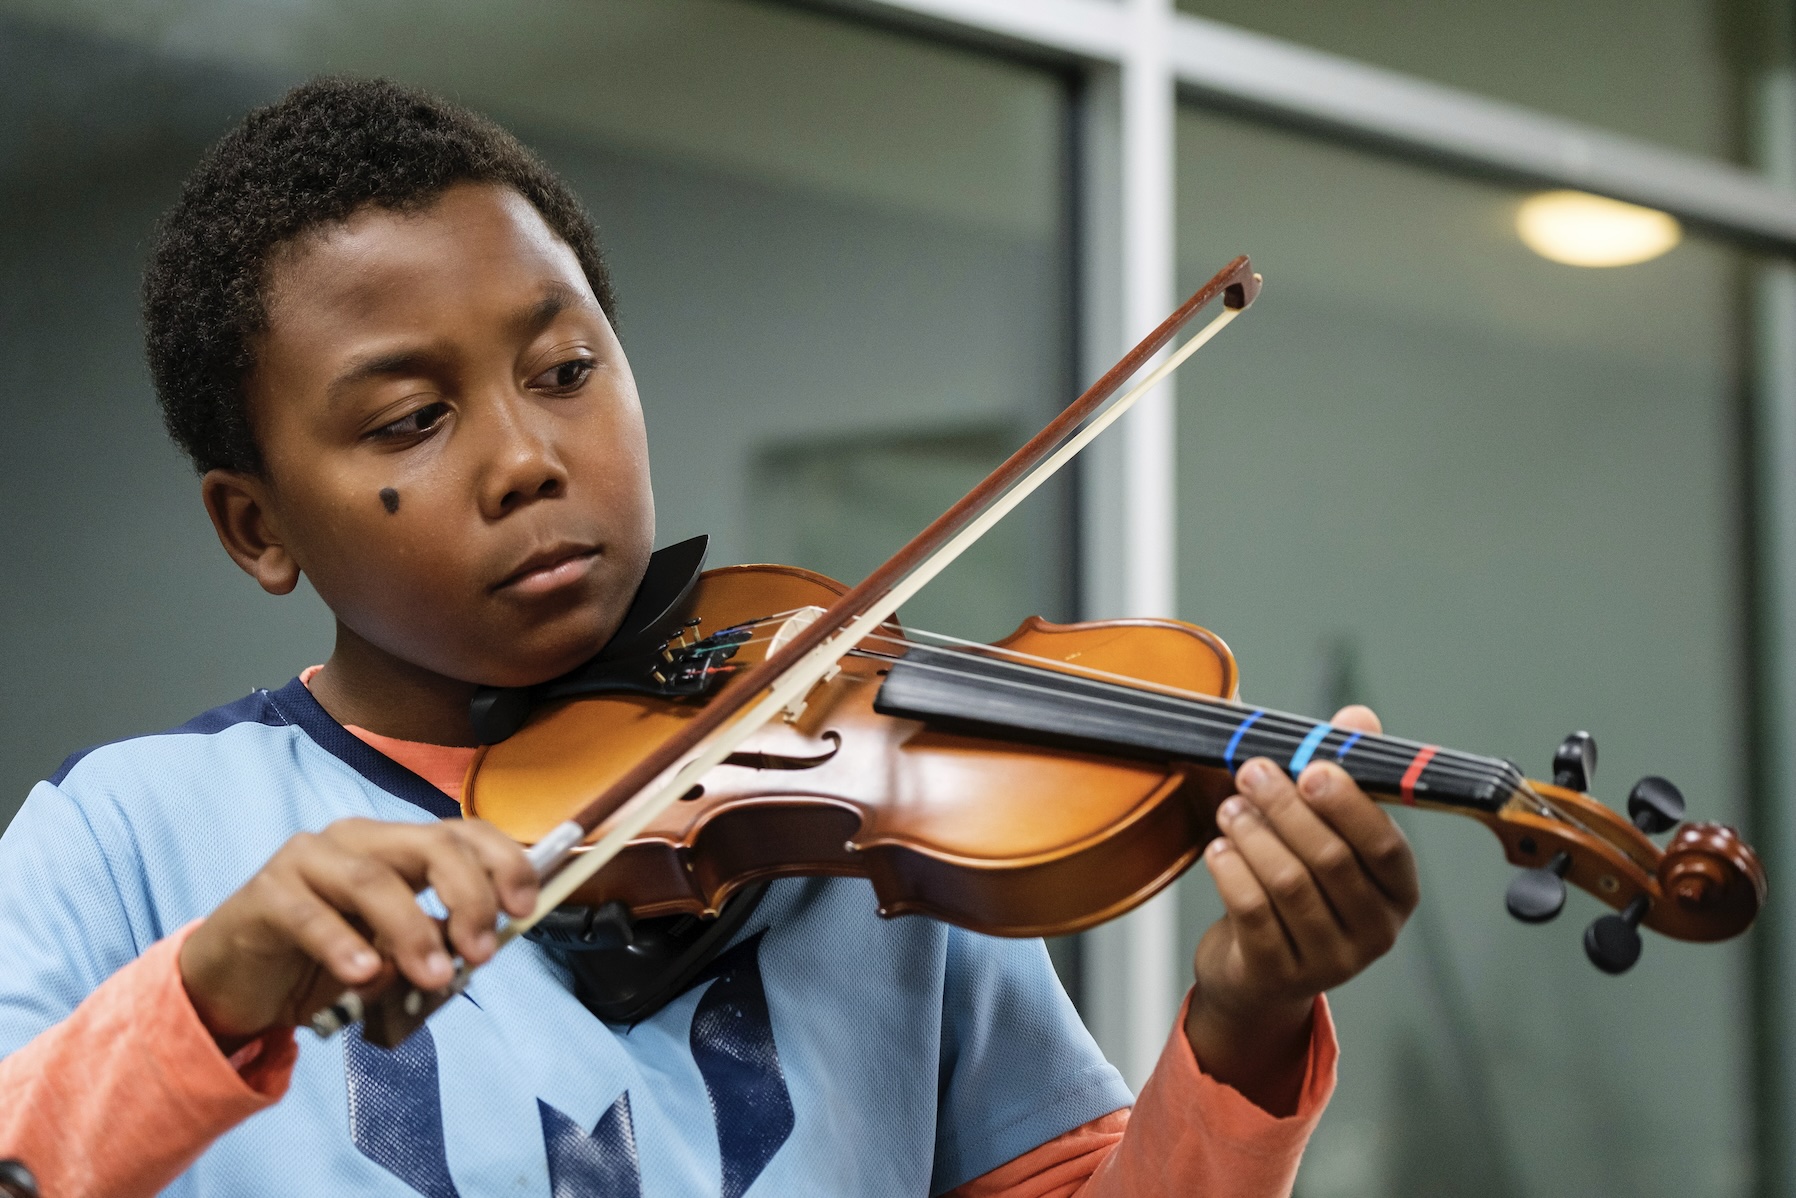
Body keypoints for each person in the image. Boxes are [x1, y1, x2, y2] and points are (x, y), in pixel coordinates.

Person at [0, 78, 1418, 1197]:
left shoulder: (868, 824)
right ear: (256, 525)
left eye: (566, 372)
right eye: (410, 420)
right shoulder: (132, 836)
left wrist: (1247, 1019)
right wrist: (205, 993)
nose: (525, 459)